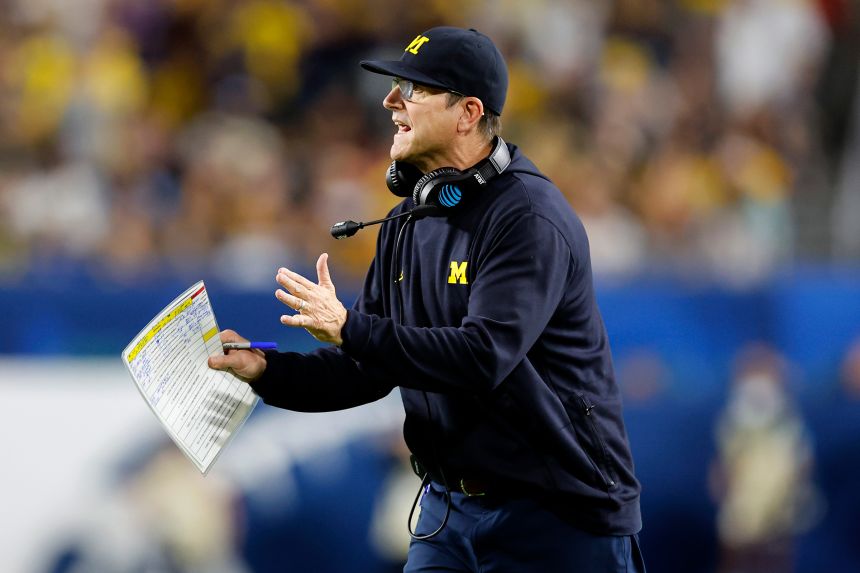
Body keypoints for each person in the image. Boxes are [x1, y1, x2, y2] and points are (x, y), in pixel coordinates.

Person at [209, 26, 645, 572]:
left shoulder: (527, 218)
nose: (391, 100)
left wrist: (352, 329)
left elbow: (483, 356)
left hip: (556, 516)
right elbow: (364, 371)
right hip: (447, 513)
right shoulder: (406, 222)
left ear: (467, 112)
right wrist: (266, 370)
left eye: (413, 88)